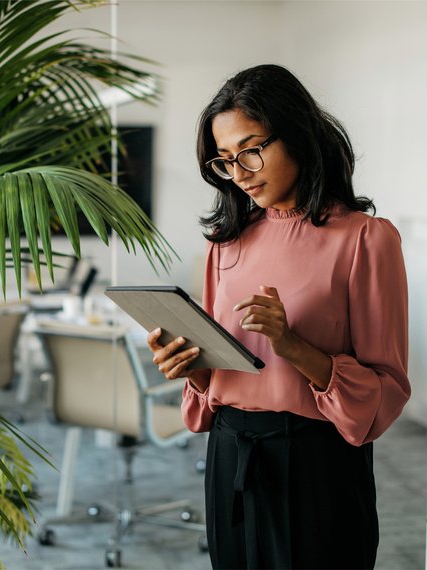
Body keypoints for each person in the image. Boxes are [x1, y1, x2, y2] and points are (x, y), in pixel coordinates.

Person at [146, 64, 411, 570]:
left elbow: (385, 395)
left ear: (296, 135)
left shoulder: (366, 239)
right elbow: (223, 377)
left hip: (316, 465)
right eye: (225, 160)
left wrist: (293, 346)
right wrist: (192, 367)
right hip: (229, 455)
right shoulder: (225, 243)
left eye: (251, 149)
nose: (240, 171)